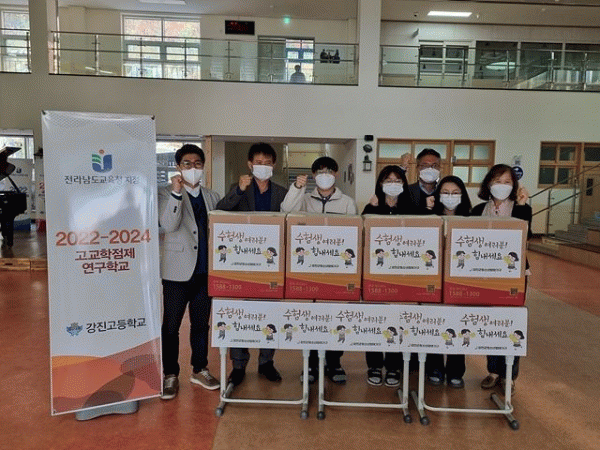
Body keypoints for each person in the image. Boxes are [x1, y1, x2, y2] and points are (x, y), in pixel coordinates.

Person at [281, 156, 358, 384]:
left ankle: (334, 362)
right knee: (311, 317)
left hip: (337, 271)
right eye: (320, 171)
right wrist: (297, 188)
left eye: (329, 171)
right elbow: (286, 211)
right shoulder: (304, 199)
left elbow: (354, 234)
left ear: (336, 174)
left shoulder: (347, 202)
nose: (325, 175)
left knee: (335, 317)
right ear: (314, 175)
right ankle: (311, 363)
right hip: (308, 270)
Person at [216, 142, 288, 386]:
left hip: (271, 264)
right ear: (249, 164)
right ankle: (238, 365)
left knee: (269, 313)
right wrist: (239, 190)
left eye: (267, 163)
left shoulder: (282, 192)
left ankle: (266, 362)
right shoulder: (238, 188)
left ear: (274, 165)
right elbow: (221, 210)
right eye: (258, 163)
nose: (263, 166)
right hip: (242, 263)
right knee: (241, 313)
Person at [158, 144, 221, 400]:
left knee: (200, 325)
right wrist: (176, 193)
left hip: (204, 272)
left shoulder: (212, 196)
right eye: (187, 163)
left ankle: (200, 369)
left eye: (197, 163)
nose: (192, 168)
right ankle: (170, 374)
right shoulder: (165, 193)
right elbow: (168, 225)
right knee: (171, 326)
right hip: (177, 273)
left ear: (203, 166)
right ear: (178, 166)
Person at [471, 164, 532, 393]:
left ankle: (509, 375)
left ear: (514, 185)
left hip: (514, 274)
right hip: (485, 273)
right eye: (497, 181)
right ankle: (493, 370)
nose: (502, 186)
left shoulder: (521, 208)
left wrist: (523, 206)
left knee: (511, 322)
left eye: (507, 182)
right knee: (491, 321)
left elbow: (527, 236)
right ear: (488, 183)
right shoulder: (478, 210)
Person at [362, 165, 416, 387]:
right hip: (375, 275)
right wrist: (371, 208)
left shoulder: (412, 209)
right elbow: (363, 237)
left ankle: (394, 366)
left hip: (403, 275)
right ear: (380, 183)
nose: (393, 184)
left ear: (404, 183)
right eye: (388, 180)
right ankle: (374, 365)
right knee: (376, 320)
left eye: (397, 180)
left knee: (397, 320)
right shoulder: (371, 207)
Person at [424, 175, 472, 389]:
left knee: (458, 324)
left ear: (462, 195)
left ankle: (456, 370)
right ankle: (434, 367)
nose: (450, 196)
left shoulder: (471, 219)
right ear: (437, 195)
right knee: (434, 323)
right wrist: (427, 211)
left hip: (460, 280)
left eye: (455, 193)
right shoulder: (429, 217)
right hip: (433, 280)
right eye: (445, 192)